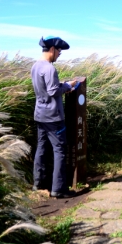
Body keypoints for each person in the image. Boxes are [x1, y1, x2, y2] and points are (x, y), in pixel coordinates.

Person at [31, 36, 84, 198]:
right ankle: (59, 189)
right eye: (59, 51)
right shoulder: (49, 68)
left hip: (40, 115)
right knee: (59, 150)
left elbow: (48, 89)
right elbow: (53, 91)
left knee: (41, 148)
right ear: (52, 49)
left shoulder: (35, 66)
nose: (60, 54)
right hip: (53, 117)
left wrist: (62, 85)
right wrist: (69, 86)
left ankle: (38, 183)